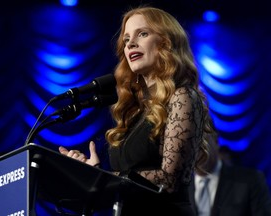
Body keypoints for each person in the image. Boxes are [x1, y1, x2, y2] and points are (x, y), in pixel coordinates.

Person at [59, 6, 214, 216]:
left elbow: (170, 180)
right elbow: (123, 183)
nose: (131, 43)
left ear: (166, 42)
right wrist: (93, 173)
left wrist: (105, 177)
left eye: (143, 34)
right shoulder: (132, 112)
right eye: (126, 40)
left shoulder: (182, 97)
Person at [189, 128, 271, 216]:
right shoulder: (178, 187)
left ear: (216, 141)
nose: (196, 150)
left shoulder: (251, 180)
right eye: (188, 144)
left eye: (201, 142)